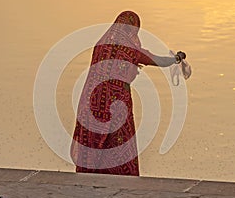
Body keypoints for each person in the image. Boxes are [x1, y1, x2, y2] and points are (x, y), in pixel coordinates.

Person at [70, 10, 186, 176]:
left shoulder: (100, 46)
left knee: (96, 137)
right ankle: (120, 176)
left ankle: (91, 172)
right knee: (119, 140)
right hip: (118, 104)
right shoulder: (131, 50)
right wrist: (176, 59)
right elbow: (157, 60)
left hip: (94, 100)